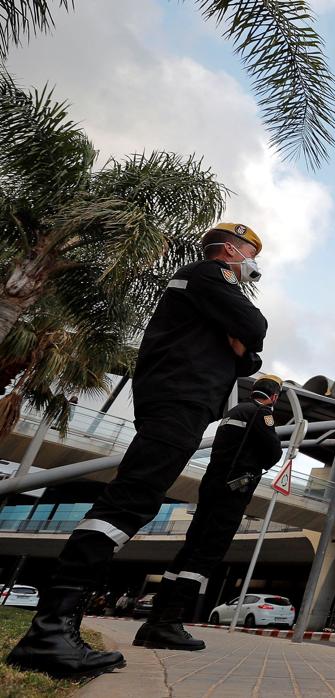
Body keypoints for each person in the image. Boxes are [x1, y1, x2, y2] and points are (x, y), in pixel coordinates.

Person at [6, 223, 268, 679]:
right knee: (130, 500)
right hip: (179, 397)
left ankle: (57, 627)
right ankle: (49, 632)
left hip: (184, 401)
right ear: (230, 250)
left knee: (137, 500)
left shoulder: (207, 290)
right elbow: (255, 329)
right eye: (250, 252)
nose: (253, 262)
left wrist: (241, 344)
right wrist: (241, 338)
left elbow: (249, 357)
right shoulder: (209, 274)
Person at [133, 375, 285, 651]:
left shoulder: (233, 413)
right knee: (208, 553)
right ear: (274, 397)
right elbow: (273, 453)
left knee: (189, 549)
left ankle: (153, 622)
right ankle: (170, 621)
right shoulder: (261, 414)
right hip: (233, 490)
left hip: (211, 485)